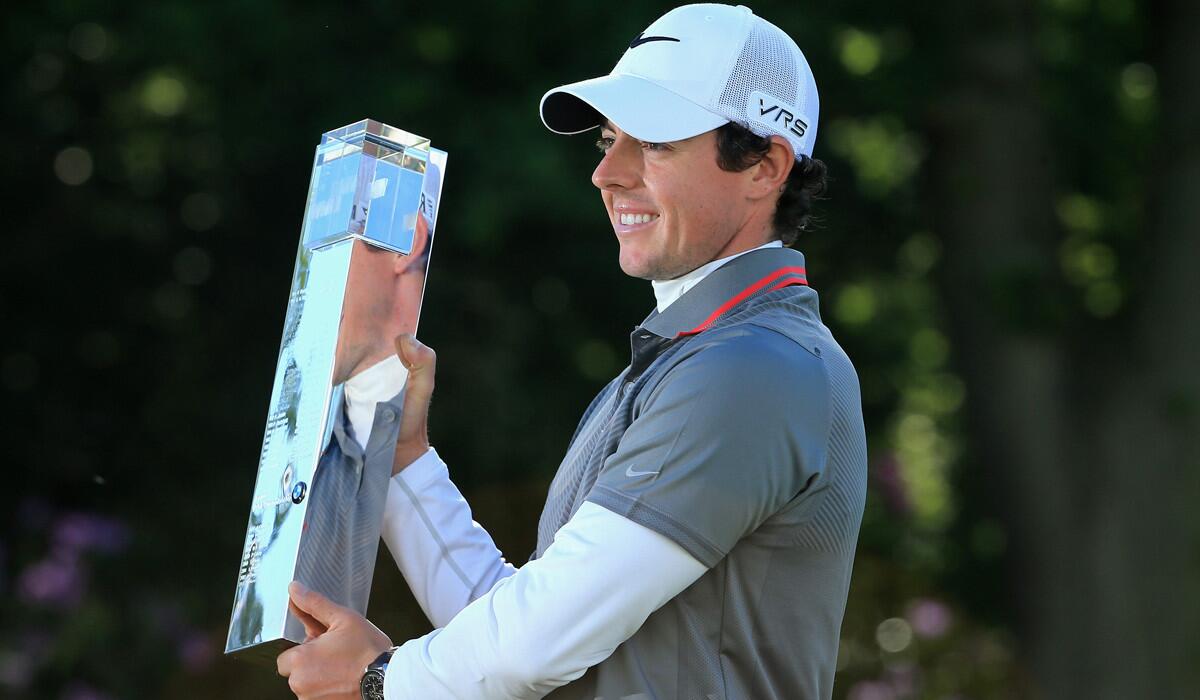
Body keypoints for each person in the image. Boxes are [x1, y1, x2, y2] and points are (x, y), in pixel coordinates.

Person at [276, 4, 867, 699]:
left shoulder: (752, 368)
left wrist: (381, 680)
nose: (607, 173)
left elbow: (530, 649)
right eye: (608, 141)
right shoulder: (686, 361)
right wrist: (404, 461)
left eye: (652, 143)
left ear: (765, 167)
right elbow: (517, 626)